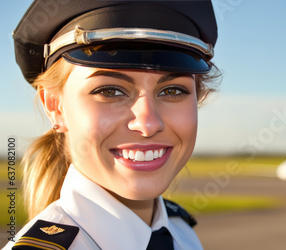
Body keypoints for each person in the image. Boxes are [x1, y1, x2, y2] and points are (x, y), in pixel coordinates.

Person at [4, 0, 220, 249]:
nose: (148, 124)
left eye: (172, 90)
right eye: (110, 91)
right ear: (55, 107)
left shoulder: (182, 233)